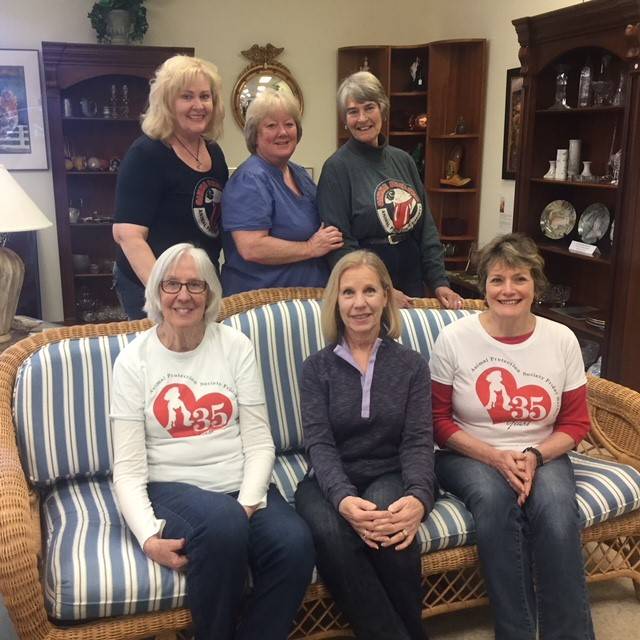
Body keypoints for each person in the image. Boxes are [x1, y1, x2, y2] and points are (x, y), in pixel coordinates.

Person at [110, 243, 314, 640]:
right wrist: (148, 537)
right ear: (156, 292)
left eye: (195, 285)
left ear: (209, 295)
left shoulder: (234, 346)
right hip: (173, 487)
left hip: (239, 486)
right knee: (222, 525)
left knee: (295, 544)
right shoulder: (133, 361)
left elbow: (259, 442)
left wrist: (247, 504)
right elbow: (129, 467)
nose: (183, 295)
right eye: (172, 284)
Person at [430, 233, 594, 640]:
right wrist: (493, 456)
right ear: (483, 286)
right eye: (497, 280)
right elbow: (436, 421)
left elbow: (575, 424)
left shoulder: (562, 340)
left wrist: (534, 456)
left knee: (557, 511)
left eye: (519, 279)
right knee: (495, 500)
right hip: (467, 452)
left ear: (536, 286)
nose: (508, 290)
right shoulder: (455, 339)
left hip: (542, 450)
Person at [295, 250, 434, 640]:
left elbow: (419, 440)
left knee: (389, 528)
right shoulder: (316, 367)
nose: (360, 303)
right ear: (335, 302)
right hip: (327, 480)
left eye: (370, 290)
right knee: (332, 535)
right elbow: (319, 443)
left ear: (386, 297)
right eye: (349, 292)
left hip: (390, 471)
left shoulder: (411, 364)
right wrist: (341, 498)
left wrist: (420, 496)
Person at [316, 71, 461, 310]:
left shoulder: (403, 160)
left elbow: (426, 228)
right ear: (345, 119)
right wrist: (381, 290)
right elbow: (340, 245)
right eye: (353, 111)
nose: (362, 118)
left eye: (369, 107)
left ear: (382, 109)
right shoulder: (336, 168)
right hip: (366, 284)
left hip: (411, 274)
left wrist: (439, 282)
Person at [113, 55, 229, 320]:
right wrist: (164, 293)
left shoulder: (214, 152)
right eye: (186, 97)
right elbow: (127, 236)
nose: (198, 105)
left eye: (205, 96)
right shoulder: (146, 154)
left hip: (200, 282)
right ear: (167, 103)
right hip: (151, 283)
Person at [221, 90, 343, 295]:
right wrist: (310, 248)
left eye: (289, 124)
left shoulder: (299, 173)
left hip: (308, 299)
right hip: (263, 305)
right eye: (271, 125)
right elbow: (252, 247)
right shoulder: (249, 180)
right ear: (255, 135)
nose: (283, 132)